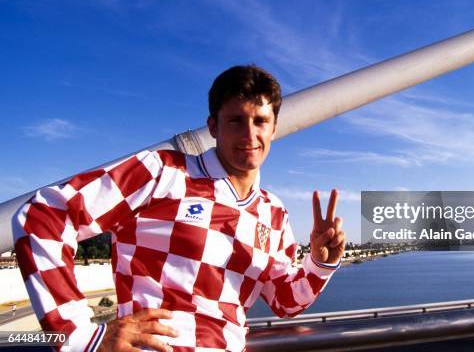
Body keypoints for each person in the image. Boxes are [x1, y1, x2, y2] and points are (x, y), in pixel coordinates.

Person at [12, 65, 346, 351]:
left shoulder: (274, 213)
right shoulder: (162, 173)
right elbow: (44, 215)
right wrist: (83, 337)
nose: (249, 133)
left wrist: (320, 262)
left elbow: (284, 302)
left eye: (260, 121)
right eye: (235, 121)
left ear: (274, 128)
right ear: (213, 126)